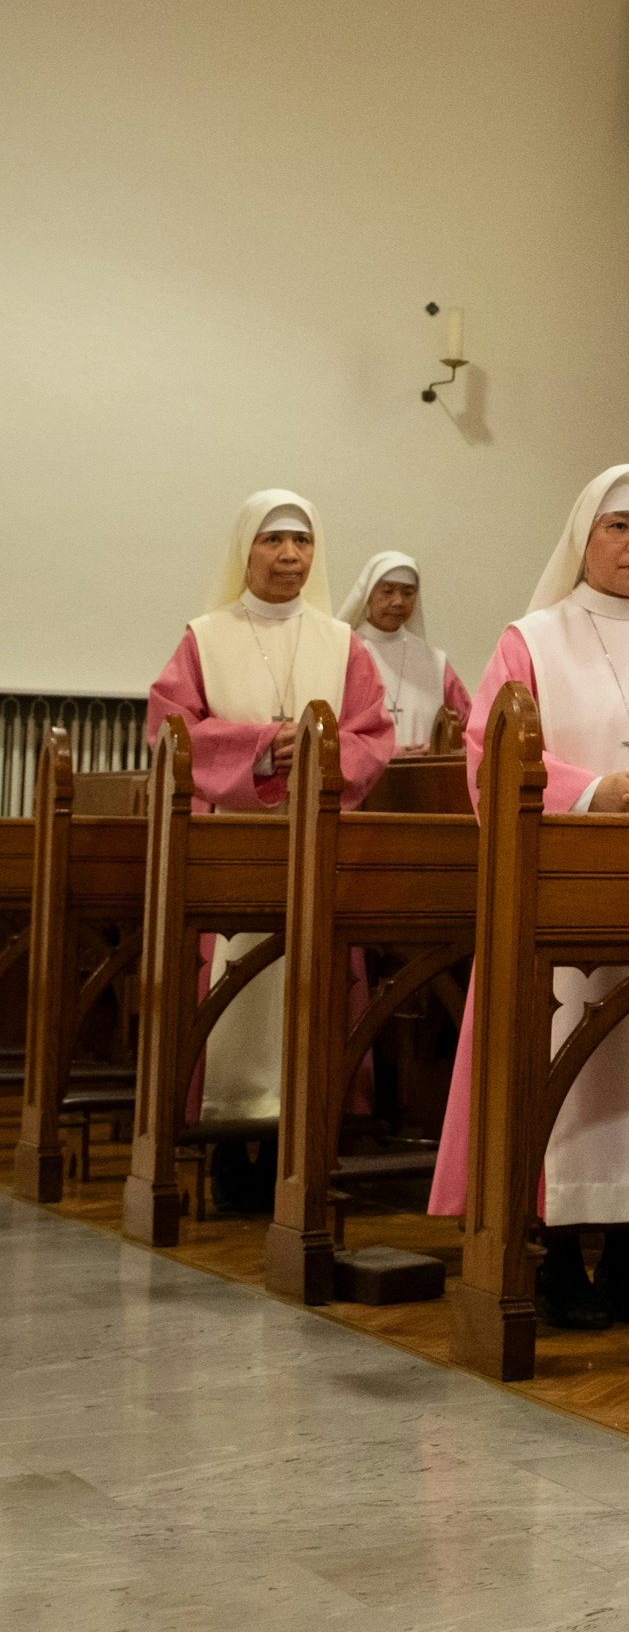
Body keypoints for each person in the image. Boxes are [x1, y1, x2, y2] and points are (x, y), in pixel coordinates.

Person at [427, 466, 629, 1333]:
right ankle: (556, 1256)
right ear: (585, 538)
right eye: (621, 527)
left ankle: (627, 1259)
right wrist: (596, 789)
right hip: (560, 895)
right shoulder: (531, 639)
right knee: (567, 1060)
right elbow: (491, 751)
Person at [147, 491, 393, 1202]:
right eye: (273, 541)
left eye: (302, 542)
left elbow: (374, 737)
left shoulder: (342, 644)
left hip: (316, 840)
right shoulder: (205, 635)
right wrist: (260, 749)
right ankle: (227, 1154)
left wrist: (317, 751)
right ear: (244, 551)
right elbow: (170, 729)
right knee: (237, 990)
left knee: (310, 990)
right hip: (233, 847)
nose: (289, 556)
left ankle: (300, 1145)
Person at [338, 550, 471, 749]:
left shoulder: (434, 661)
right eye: (388, 591)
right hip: (364, 778)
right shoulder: (345, 651)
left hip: (425, 776)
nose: (398, 601)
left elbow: (469, 726)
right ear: (368, 594)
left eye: (408, 593)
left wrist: (438, 747)